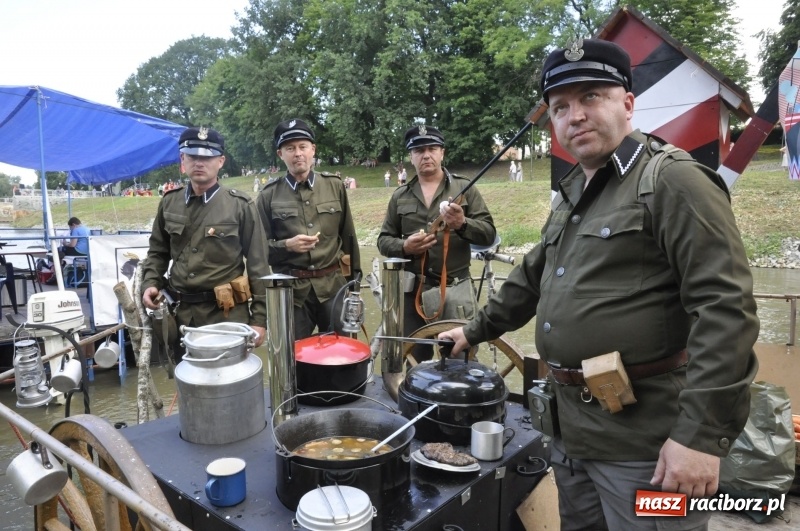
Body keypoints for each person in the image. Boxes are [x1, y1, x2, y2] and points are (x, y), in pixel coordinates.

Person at [440, 39, 759, 530]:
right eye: (560, 107)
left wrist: (699, 437)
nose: (575, 116)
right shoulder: (573, 190)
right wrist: (473, 330)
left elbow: (726, 311)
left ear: (627, 104)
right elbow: (532, 277)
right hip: (573, 434)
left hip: (646, 447)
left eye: (591, 96)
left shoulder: (673, 181)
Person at [141, 126, 270, 353]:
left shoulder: (239, 205)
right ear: (183, 160)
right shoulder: (169, 202)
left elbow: (258, 264)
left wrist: (260, 318)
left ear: (221, 161)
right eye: (192, 156)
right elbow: (158, 252)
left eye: (207, 157)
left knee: (229, 373)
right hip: (181, 316)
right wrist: (150, 282)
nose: (199, 163)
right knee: (184, 372)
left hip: (226, 316)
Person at [377, 125, 496, 362]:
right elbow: (383, 240)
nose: (426, 155)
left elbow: (489, 234)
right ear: (411, 157)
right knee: (414, 362)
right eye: (419, 150)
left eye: (432, 149)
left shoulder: (464, 188)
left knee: (459, 360)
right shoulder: (400, 195)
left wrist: (463, 224)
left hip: (455, 292)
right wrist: (405, 247)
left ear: (442, 152)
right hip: (412, 295)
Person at [257, 118, 361, 339]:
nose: (298, 154)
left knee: (342, 353)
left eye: (302, 146)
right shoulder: (268, 195)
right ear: (280, 154)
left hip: (334, 289)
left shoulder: (334, 186)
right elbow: (258, 251)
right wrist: (287, 246)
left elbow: (349, 238)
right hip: (291, 294)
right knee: (292, 355)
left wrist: (354, 287)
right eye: (290, 148)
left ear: (313, 150)